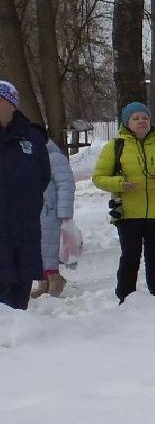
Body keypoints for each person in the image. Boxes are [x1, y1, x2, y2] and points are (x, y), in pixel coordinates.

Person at [93, 102, 155, 302]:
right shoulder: (115, 146)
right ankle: (125, 297)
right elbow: (98, 178)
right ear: (127, 122)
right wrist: (120, 183)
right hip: (128, 212)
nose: (141, 121)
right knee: (130, 256)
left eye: (145, 118)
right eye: (136, 118)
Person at [0, 79, 52, 311]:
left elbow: (43, 176)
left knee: (20, 290)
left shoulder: (32, 137)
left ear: (12, 104)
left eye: (1, 100)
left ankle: (19, 337)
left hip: (24, 226)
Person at [33, 125, 76, 298]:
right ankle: (43, 281)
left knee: (49, 247)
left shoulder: (55, 158)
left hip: (50, 212)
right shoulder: (30, 158)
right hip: (34, 211)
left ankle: (55, 278)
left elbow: (66, 185)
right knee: (38, 248)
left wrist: (64, 211)